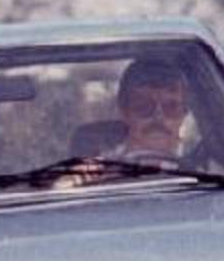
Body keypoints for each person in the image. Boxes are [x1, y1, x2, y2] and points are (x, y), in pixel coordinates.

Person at [55, 58, 189, 188]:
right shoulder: (95, 171)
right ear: (124, 111)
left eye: (171, 107)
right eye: (144, 106)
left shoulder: (198, 172)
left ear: (184, 113)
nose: (158, 117)